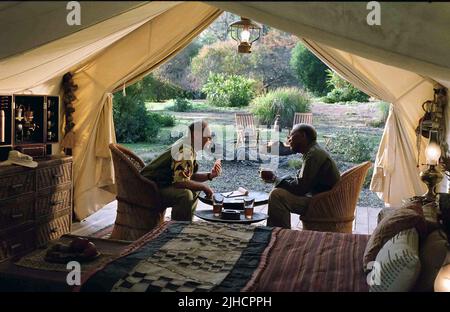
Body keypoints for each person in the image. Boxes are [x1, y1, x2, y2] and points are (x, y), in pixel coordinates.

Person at [261, 123, 340, 228]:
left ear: (303, 135)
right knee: (279, 191)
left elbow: (300, 188)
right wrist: (277, 180)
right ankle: (278, 233)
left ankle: (281, 235)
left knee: (277, 195)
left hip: (322, 204)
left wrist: (274, 178)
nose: (289, 140)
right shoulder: (313, 151)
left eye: (291, 135)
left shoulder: (313, 154)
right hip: (322, 198)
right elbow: (301, 181)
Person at [140, 120, 222, 221]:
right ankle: (177, 228)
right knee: (185, 195)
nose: (210, 140)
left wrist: (209, 175)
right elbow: (180, 182)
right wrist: (204, 186)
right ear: (195, 135)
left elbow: (186, 176)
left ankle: (185, 222)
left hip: (156, 184)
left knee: (194, 189)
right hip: (147, 187)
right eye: (208, 137)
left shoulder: (187, 145)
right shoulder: (185, 150)